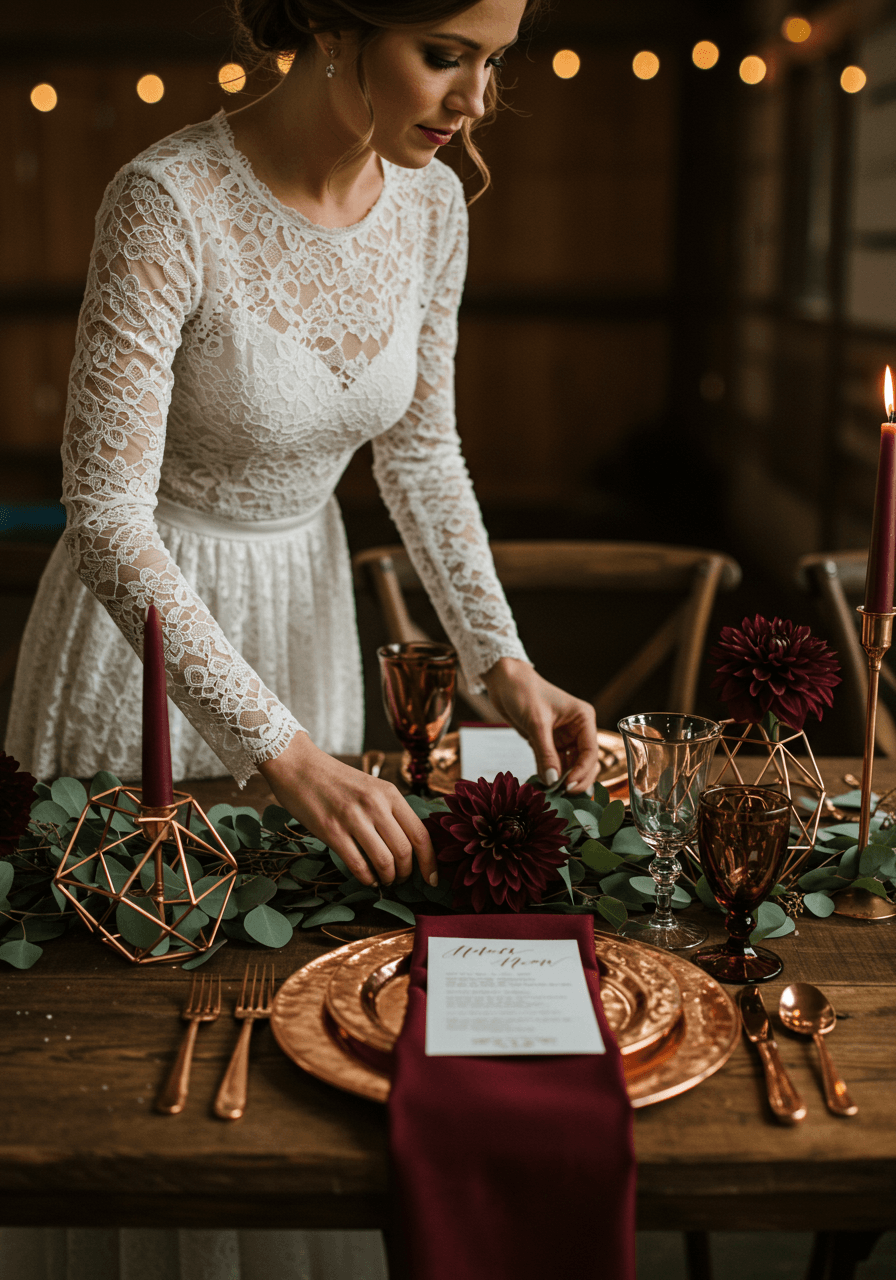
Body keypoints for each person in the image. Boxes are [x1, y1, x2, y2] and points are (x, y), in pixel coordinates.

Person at [3, 5, 600, 1273]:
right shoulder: (166, 198)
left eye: (493, 61)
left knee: (297, 1031)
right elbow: (104, 512)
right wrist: (274, 746)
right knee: (137, 1059)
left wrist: (504, 660)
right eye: (446, 54)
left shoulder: (434, 207)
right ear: (338, 26)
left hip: (309, 618)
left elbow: (421, 454)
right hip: (148, 642)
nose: (476, 100)